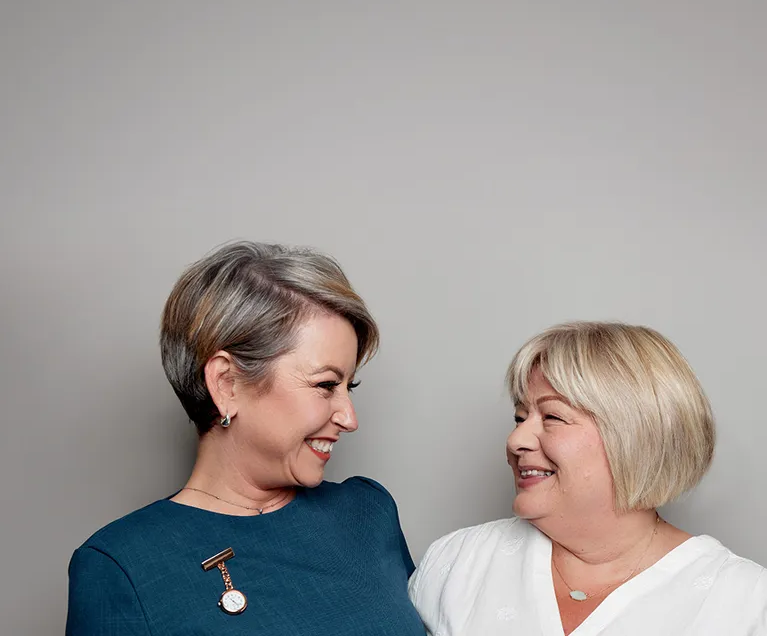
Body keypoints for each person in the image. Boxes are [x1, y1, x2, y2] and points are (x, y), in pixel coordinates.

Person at [66, 241, 424, 636]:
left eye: (348, 386)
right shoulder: (122, 566)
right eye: (326, 385)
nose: (349, 418)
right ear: (227, 383)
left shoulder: (367, 513)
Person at [409, 321, 767, 635]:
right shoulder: (459, 561)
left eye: (552, 417)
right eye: (519, 417)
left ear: (634, 436)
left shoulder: (744, 602)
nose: (516, 440)